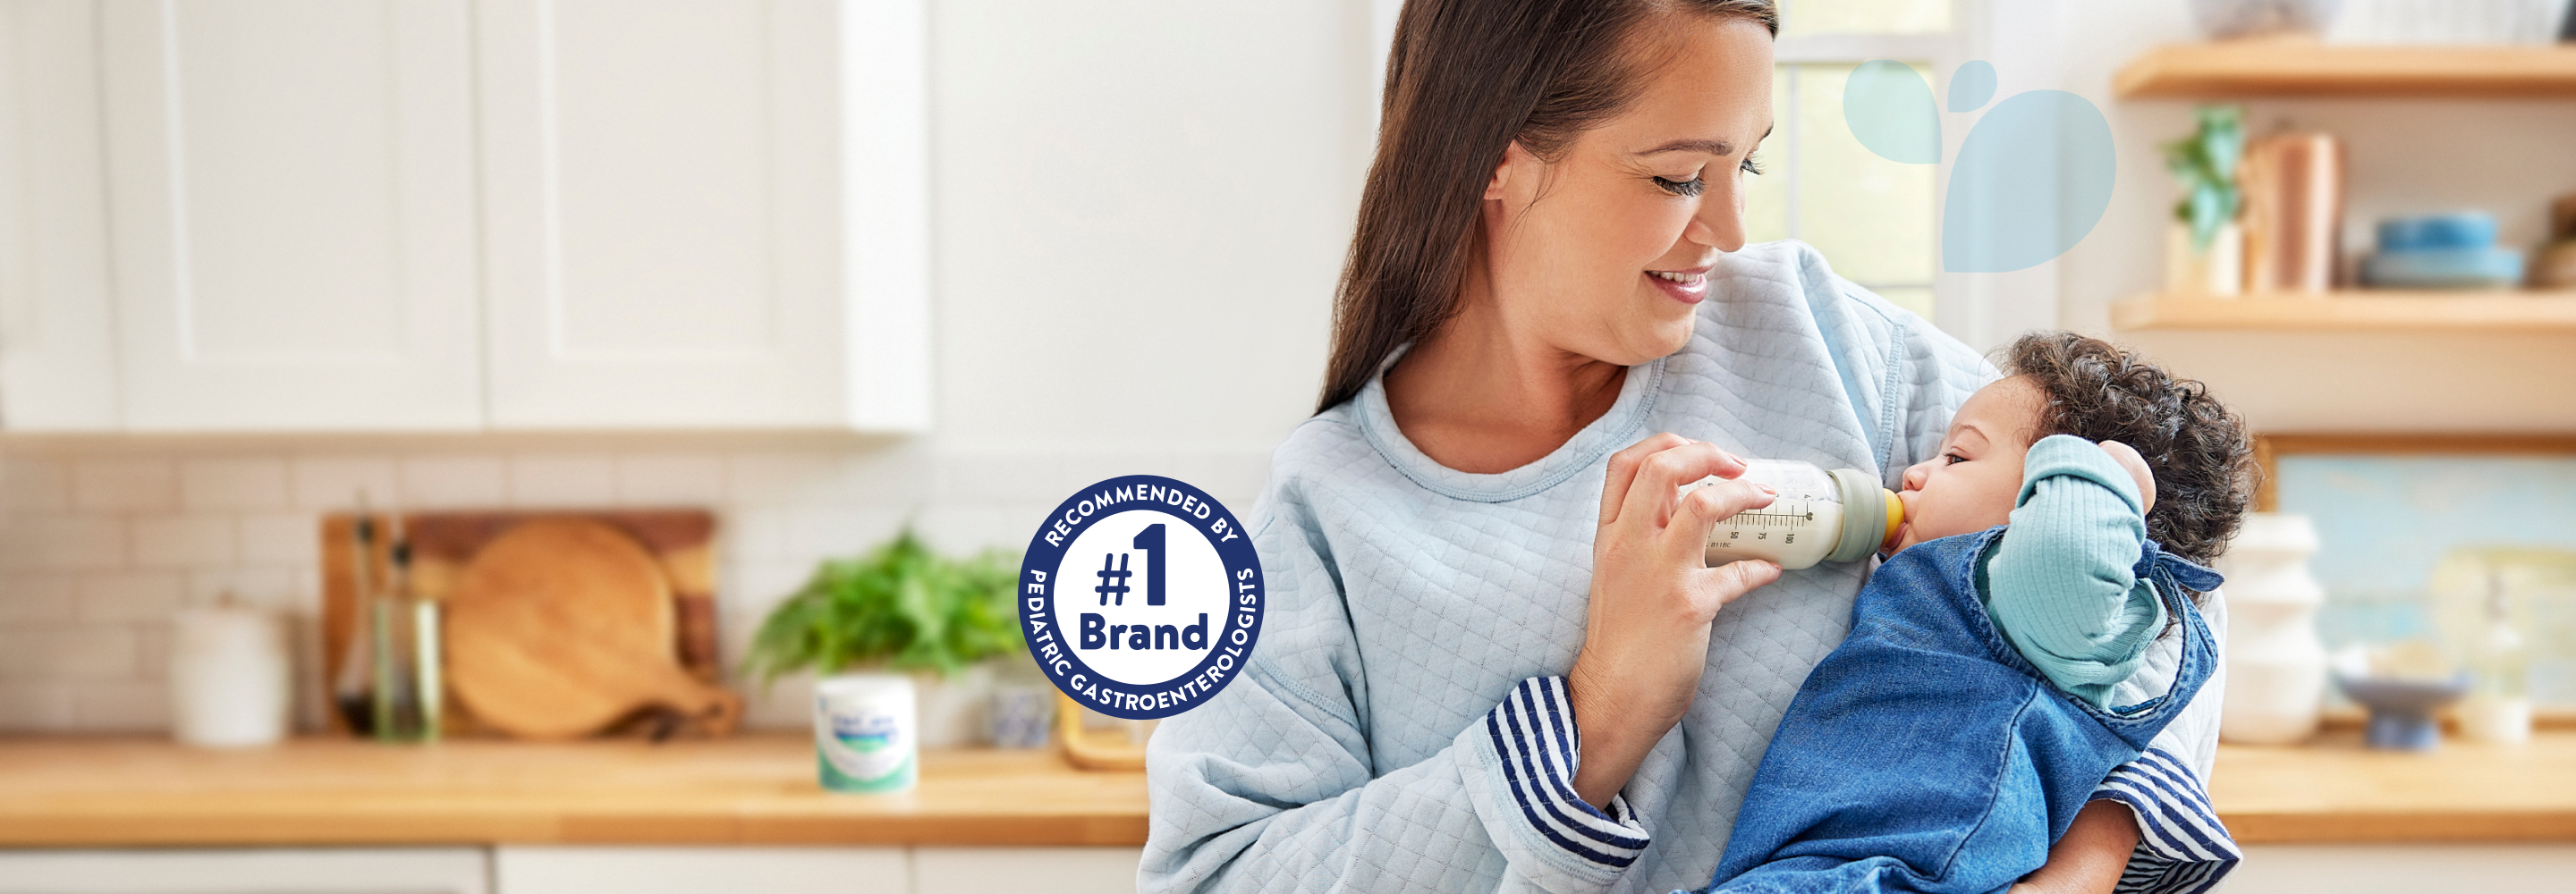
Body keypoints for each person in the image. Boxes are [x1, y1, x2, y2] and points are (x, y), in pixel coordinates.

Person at [1143, 3, 2233, 892]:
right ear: (1495, 157)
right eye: (1676, 177)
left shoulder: (1821, 334)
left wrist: (2088, 867)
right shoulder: (1326, 516)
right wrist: (1595, 717)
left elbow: (2165, 563)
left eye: (1743, 168)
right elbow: (1217, 872)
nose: (1729, 230)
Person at [1707, 333, 2250, 894]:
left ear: (2049, 503)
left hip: (1898, 875)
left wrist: (2108, 475)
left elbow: (2068, 552)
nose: (1913, 474)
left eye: (1957, 457)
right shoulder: (1952, 590)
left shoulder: (2035, 602)